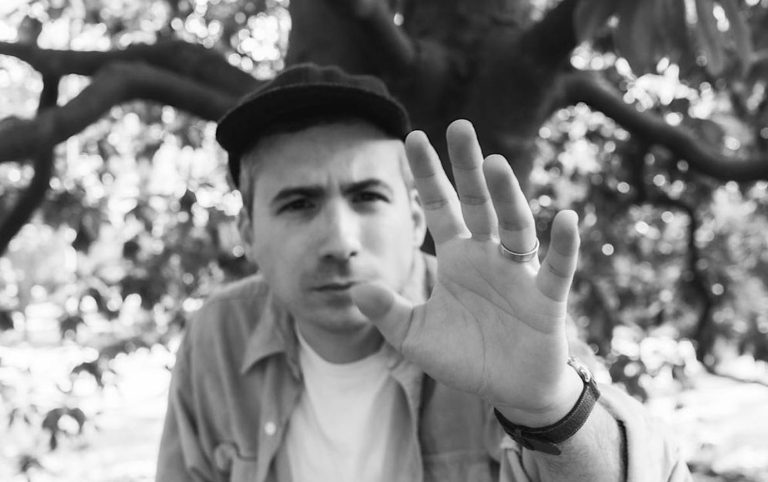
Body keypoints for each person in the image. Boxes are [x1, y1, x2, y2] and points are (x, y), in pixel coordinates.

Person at [156, 64, 691, 482]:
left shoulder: (496, 319)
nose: (340, 242)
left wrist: (552, 408)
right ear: (247, 233)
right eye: (298, 204)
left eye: (367, 197)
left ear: (415, 219)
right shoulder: (217, 337)